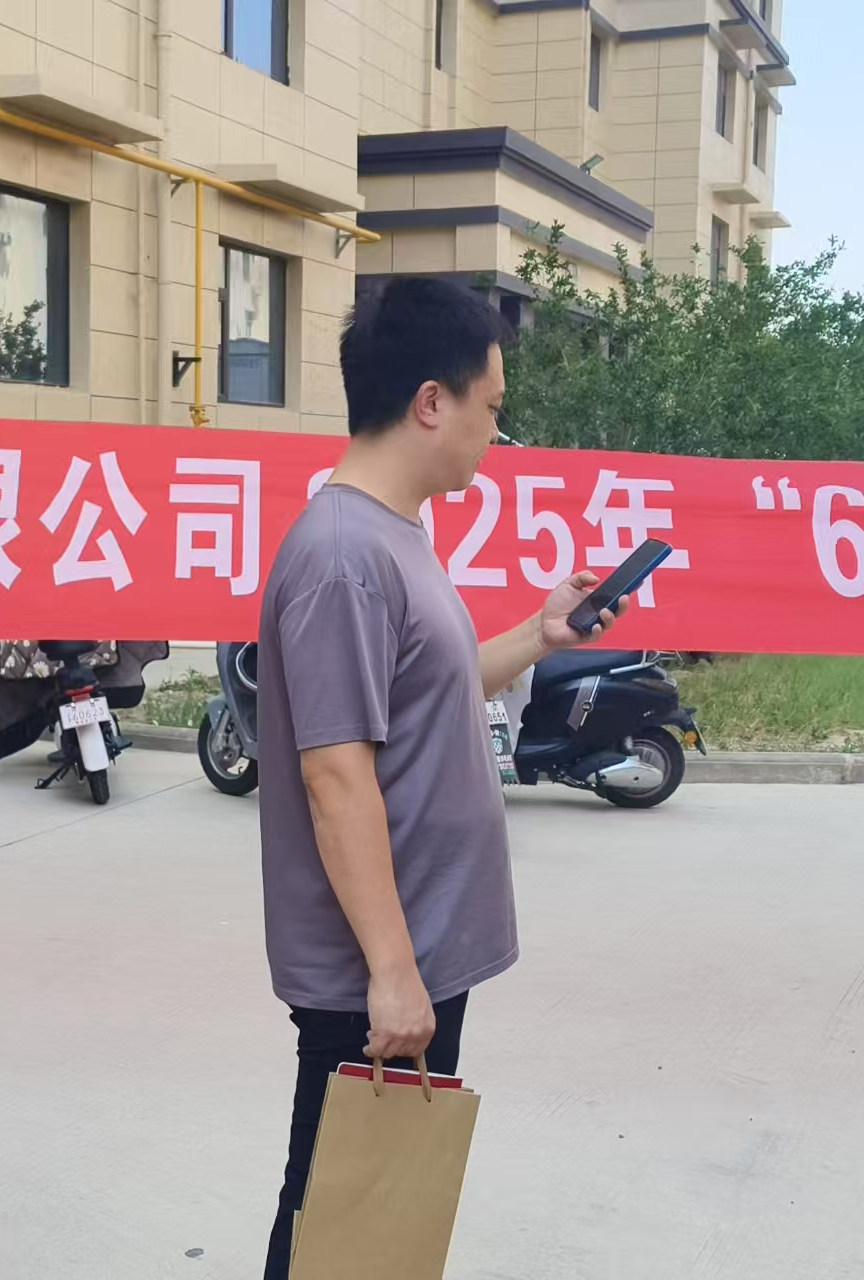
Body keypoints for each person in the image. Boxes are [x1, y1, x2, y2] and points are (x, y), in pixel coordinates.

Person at [256, 277, 623, 1279]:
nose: (494, 433)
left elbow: (433, 686)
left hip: (413, 953)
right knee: (337, 1228)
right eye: (490, 407)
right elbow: (336, 776)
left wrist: (541, 633)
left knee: (374, 1231)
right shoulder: (343, 556)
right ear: (431, 401)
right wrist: (391, 970)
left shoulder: (391, 533)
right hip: (376, 972)